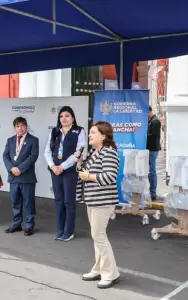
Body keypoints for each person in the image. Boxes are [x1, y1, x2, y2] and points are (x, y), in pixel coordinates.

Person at [77, 121, 120, 289]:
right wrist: (80, 162)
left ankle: (111, 274)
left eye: (93, 132)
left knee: (99, 236)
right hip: (93, 200)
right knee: (96, 237)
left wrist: (90, 177)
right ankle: (99, 269)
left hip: (103, 201)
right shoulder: (95, 152)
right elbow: (83, 173)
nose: (90, 135)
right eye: (90, 132)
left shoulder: (108, 153)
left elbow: (110, 176)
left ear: (104, 136)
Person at [44, 106, 86, 242]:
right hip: (55, 171)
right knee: (58, 201)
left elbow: (78, 153)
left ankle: (69, 231)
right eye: (61, 116)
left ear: (73, 118)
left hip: (70, 171)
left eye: (67, 116)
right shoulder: (55, 131)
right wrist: (53, 166)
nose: (64, 118)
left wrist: (62, 166)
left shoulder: (79, 131)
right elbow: (47, 152)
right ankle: (60, 230)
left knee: (69, 202)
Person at [3, 117, 39, 236]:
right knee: (15, 202)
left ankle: (29, 226)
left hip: (26, 177)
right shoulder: (10, 140)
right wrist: (11, 168)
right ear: (14, 128)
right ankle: (16, 224)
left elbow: (33, 157)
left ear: (27, 126)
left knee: (29, 202)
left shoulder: (33, 140)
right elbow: (5, 156)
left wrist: (20, 169)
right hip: (13, 177)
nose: (20, 128)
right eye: (18, 126)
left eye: (23, 125)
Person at [147, 106, 161, 201]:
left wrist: (143, 135)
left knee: (152, 171)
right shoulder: (150, 120)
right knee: (150, 171)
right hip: (149, 149)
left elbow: (153, 135)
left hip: (152, 149)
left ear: (149, 111)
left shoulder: (155, 121)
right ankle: (151, 191)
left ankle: (153, 193)